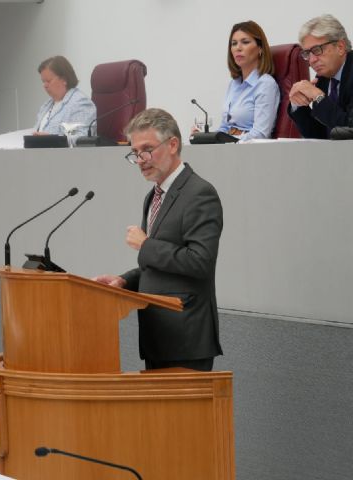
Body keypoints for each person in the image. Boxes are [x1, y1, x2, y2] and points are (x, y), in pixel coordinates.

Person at [93, 108, 223, 371]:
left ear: (173, 144)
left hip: (186, 338)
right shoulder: (153, 196)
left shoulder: (200, 193)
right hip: (157, 335)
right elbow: (158, 264)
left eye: (147, 149)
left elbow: (200, 262)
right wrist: (125, 280)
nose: (141, 159)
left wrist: (145, 245)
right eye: (135, 153)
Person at [216, 20, 280, 140]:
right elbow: (224, 128)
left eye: (245, 42)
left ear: (260, 48)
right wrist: (206, 137)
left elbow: (260, 134)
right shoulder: (233, 84)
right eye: (234, 43)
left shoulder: (265, 84)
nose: (238, 48)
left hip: (250, 152)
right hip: (229, 149)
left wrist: (230, 143)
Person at [32, 55, 96, 137]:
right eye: (43, 81)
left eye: (48, 81)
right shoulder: (46, 105)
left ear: (64, 79)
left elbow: (82, 137)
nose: (45, 85)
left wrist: (52, 140)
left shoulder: (80, 103)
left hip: (59, 150)